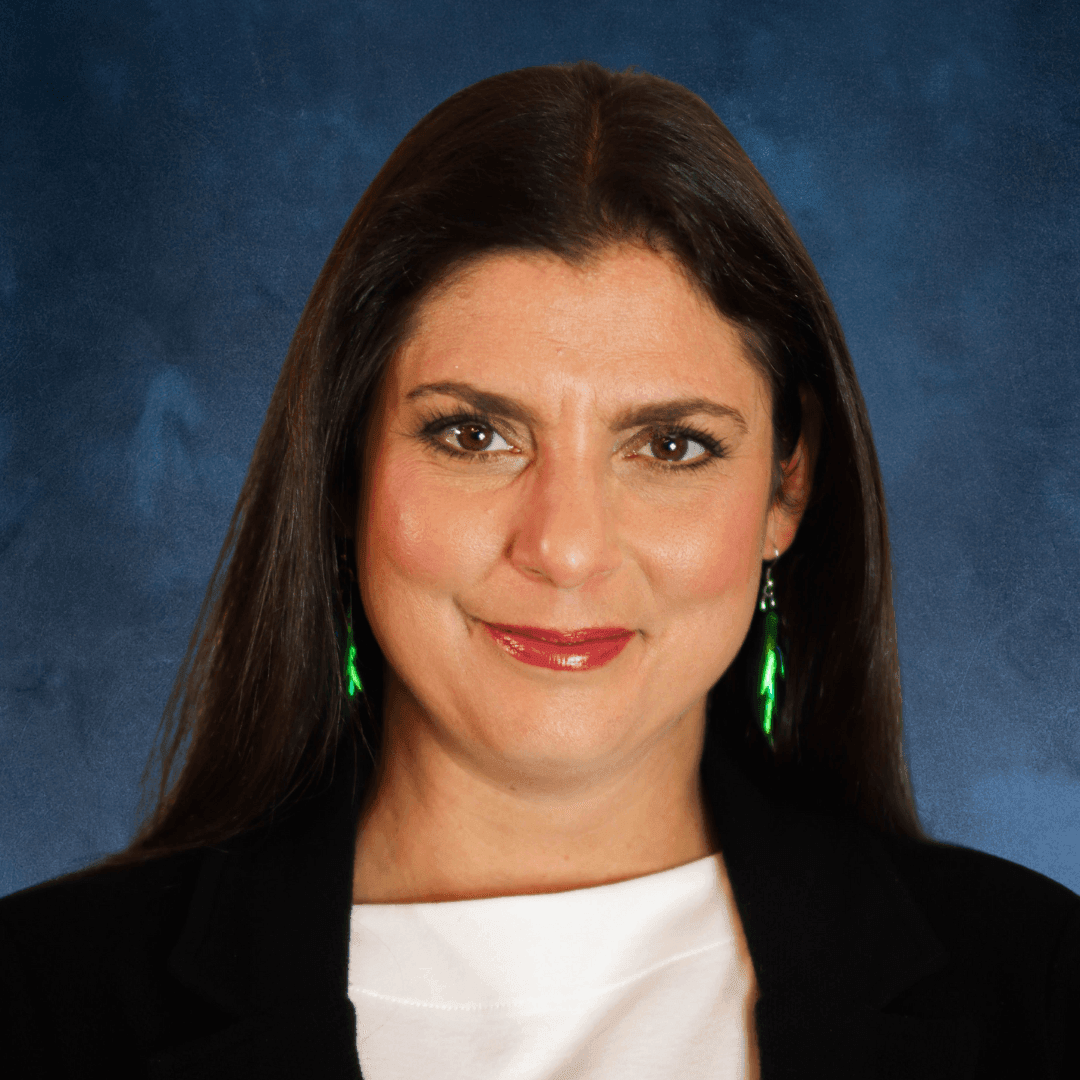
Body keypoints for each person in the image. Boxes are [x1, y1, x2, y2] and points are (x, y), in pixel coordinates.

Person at [1, 61, 1076, 1080]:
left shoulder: (1038, 993)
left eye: (669, 447)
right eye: (473, 436)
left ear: (786, 492)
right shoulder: (41, 1008)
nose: (564, 548)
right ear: (342, 466)